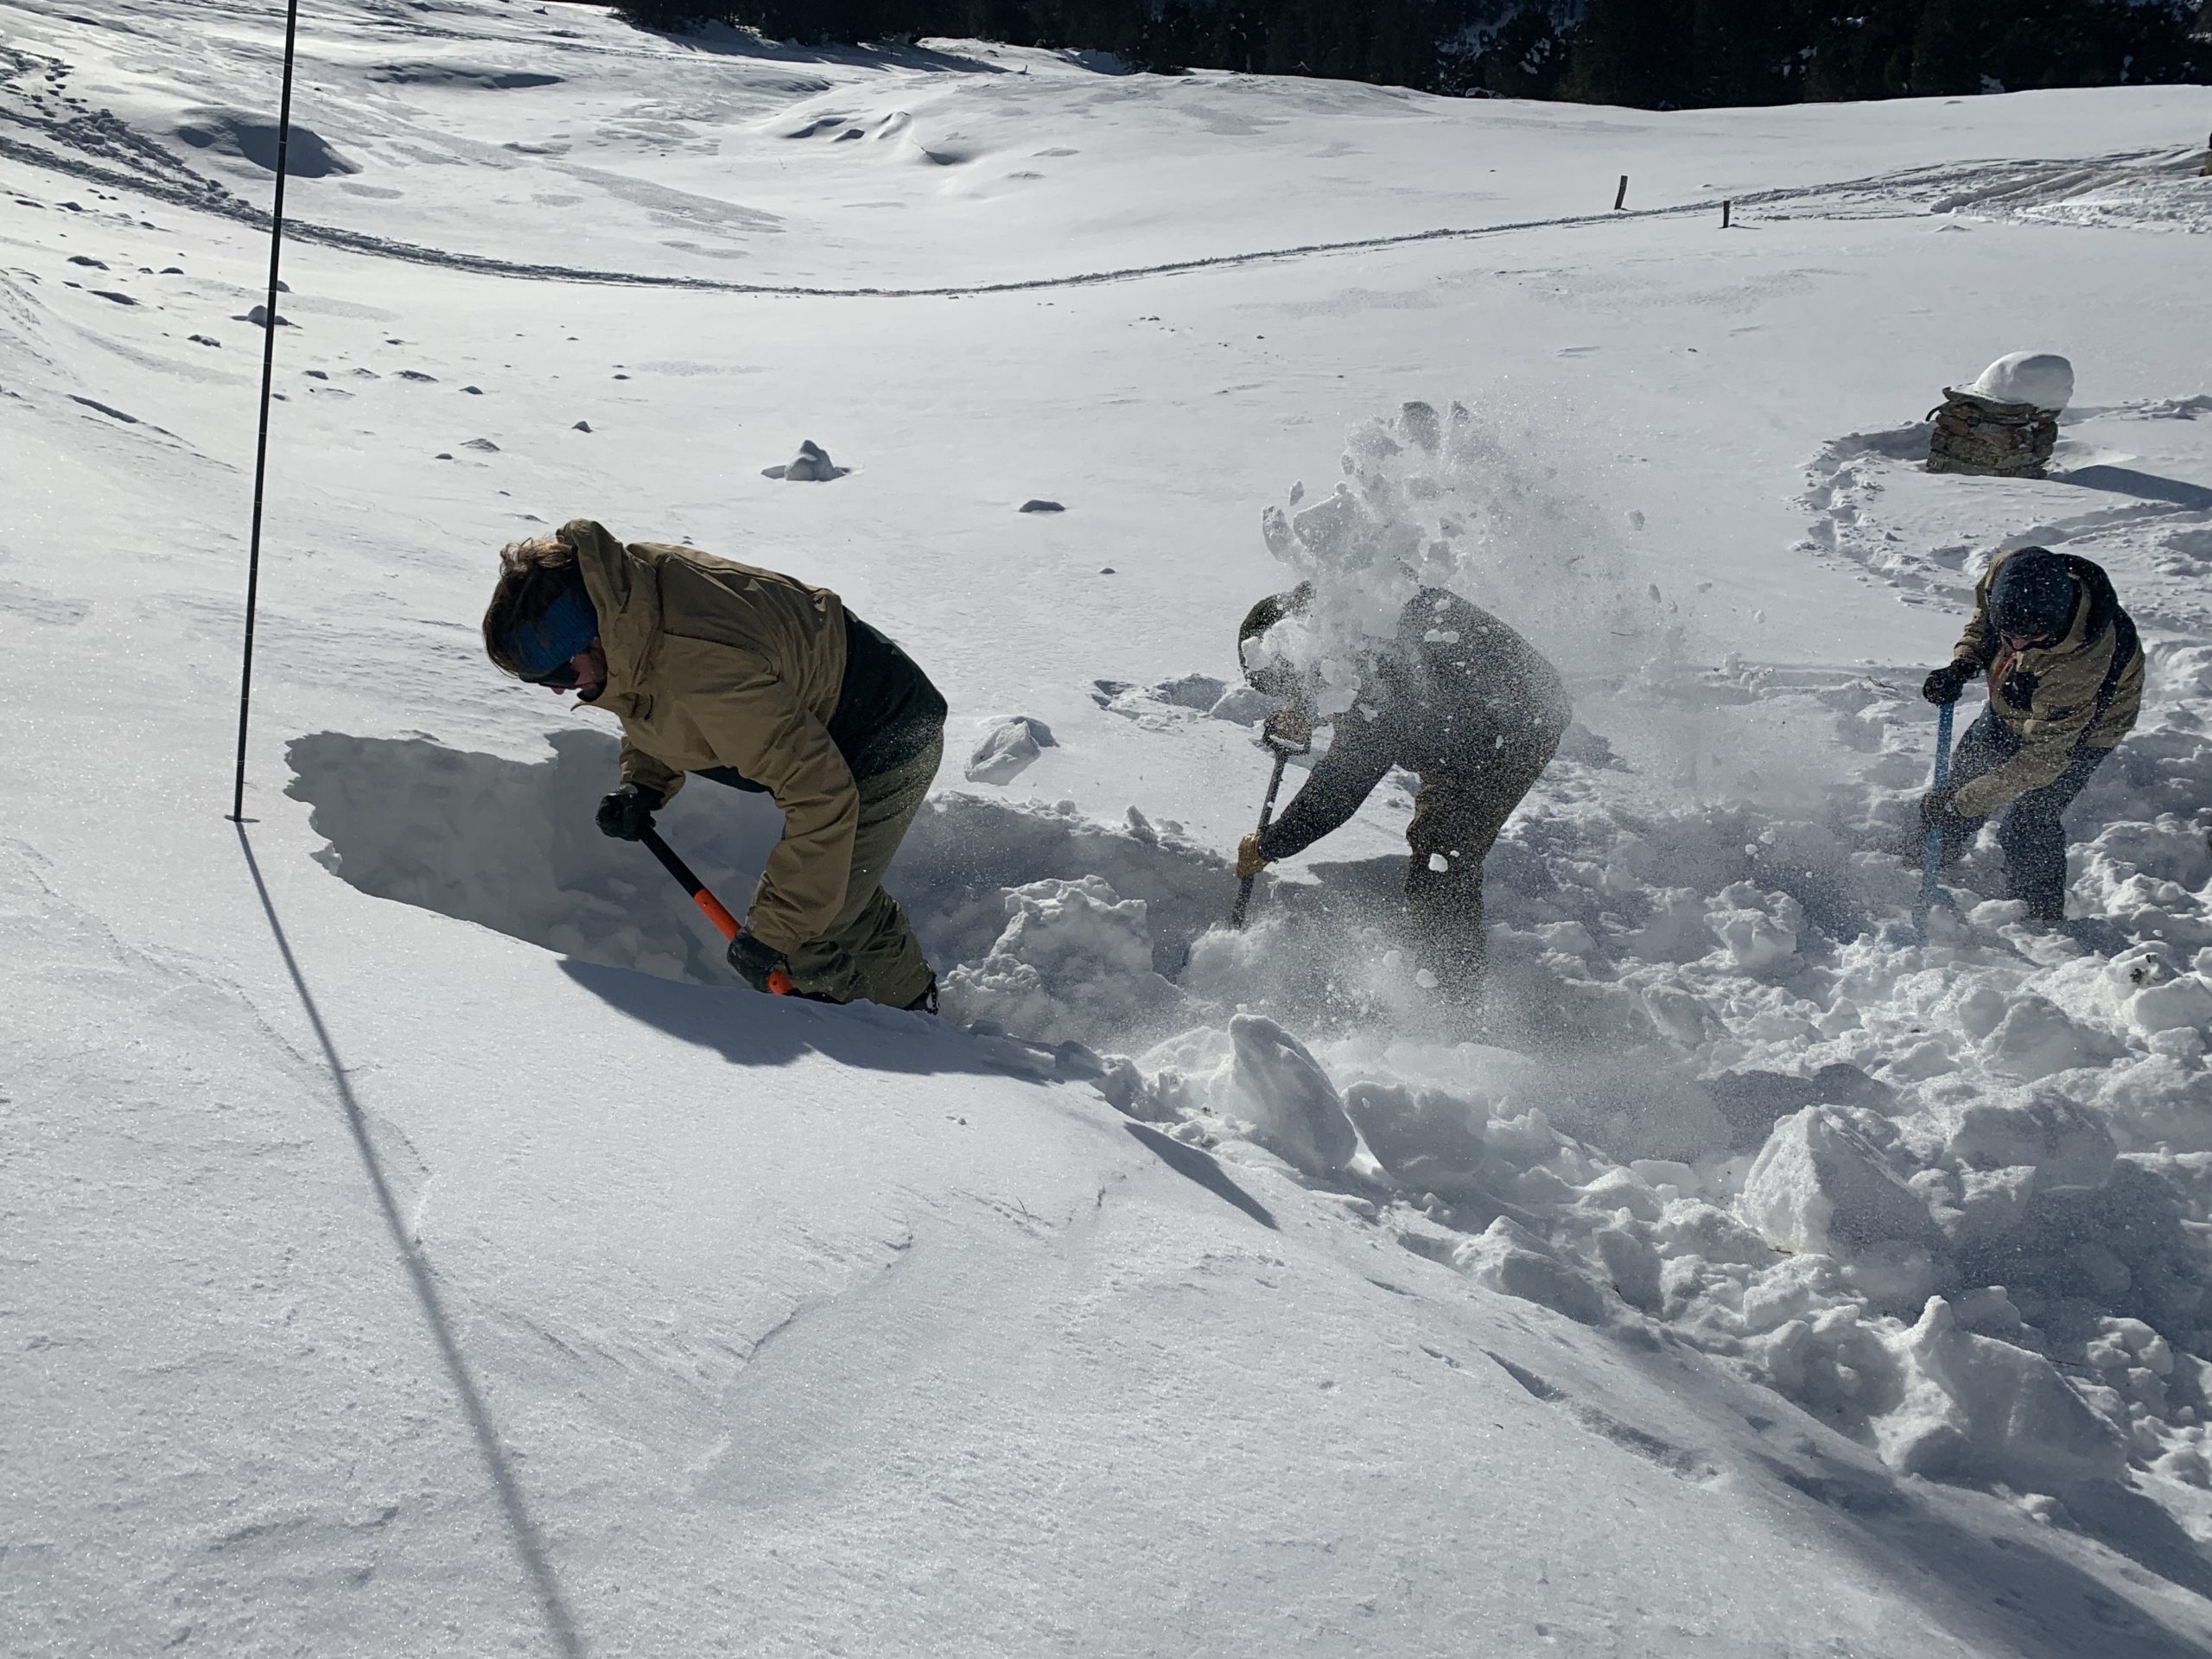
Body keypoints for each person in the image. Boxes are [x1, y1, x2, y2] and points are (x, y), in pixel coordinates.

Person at [482, 518, 947, 1010]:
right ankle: (901, 1000)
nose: (558, 690)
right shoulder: (622, 602)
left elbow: (820, 795)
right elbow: (649, 697)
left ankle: (884, 1033)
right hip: (822, 711)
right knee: (835, 890)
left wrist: (773, 934)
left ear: (590, 640)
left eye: (556, 675)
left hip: (885, 726)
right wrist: (644, 781)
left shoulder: (703, 669)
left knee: (808, 931)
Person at [1232, 582, 1571, 993]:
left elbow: (1343, 783)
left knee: (1442, 853)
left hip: (1513, 724)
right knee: (1438, 837)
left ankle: (1455, 1002)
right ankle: (1449, 983)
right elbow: (1369, 700)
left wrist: (1272, 845)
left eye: (1288, 686)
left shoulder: (1372, 656)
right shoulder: (1354, 608)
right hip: (1467, 718)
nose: (1292, 695)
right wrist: (1304, 710)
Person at [1917, 544, 2143, 925]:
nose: (2017, 645)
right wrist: (1964, 663)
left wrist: (1958, 806)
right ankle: (1930, 854)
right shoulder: (2007, 574)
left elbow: (2042, 761)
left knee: (2031, 819)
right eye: (2009, 634)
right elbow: (1984, 619)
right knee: (1967, 772)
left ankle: (2039, 916)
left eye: (2031, 637)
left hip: (2083, 730)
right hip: (2013, 702)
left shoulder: (2080, 663)